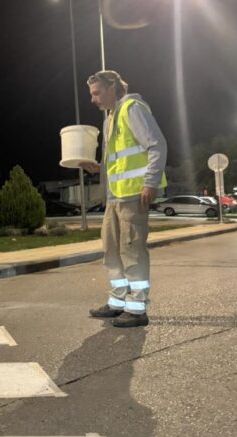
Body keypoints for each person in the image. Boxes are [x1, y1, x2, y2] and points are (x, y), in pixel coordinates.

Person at [80, 70, 167, 328]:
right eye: (91, 94)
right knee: (111, 251)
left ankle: (138, 307)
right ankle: (118, 302)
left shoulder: (132, 108)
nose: (93, 99)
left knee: (132, 250)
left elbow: (157, 145)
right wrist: (98, 167)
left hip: (134, 194)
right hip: (115, 197)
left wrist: (150, 183)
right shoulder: (110, 118)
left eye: (97, 93)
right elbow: (117, 160)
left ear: (113, 88)